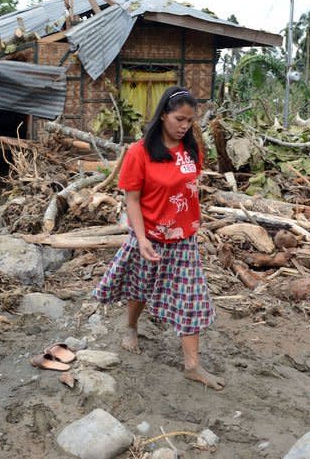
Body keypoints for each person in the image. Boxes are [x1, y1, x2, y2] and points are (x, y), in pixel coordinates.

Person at [93, 86, 225, 390]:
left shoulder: (193, 151)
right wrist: (140, 238)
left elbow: (189, 189)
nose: (184, 126)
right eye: (179, 119)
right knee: (140, 286)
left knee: (191, 298)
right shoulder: (139, 152)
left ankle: (192, 365)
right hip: (149, 236)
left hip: (184, 240)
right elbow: (133, 200)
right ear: (163, 114)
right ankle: (131, 327)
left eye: (190, 121)